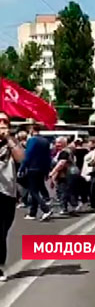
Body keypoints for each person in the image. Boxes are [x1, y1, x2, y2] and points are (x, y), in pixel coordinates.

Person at [0, 111, 24, 281]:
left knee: (3, 231)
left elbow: (21, 158)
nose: (3, 124)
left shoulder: (12, 142)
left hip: (7, 192)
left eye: (5, 121)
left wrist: (9, 139)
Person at [19, 124, 52, 221]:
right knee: (36, 190)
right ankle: (32, 213)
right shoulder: (45, 141)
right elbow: (48, 157)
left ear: (32, 130)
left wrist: (22, 168)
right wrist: (47, 170)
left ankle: (46, 209)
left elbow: (28, 155)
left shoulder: (32, 140)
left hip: (33, 168)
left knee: (33, 191)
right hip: (42, 168)